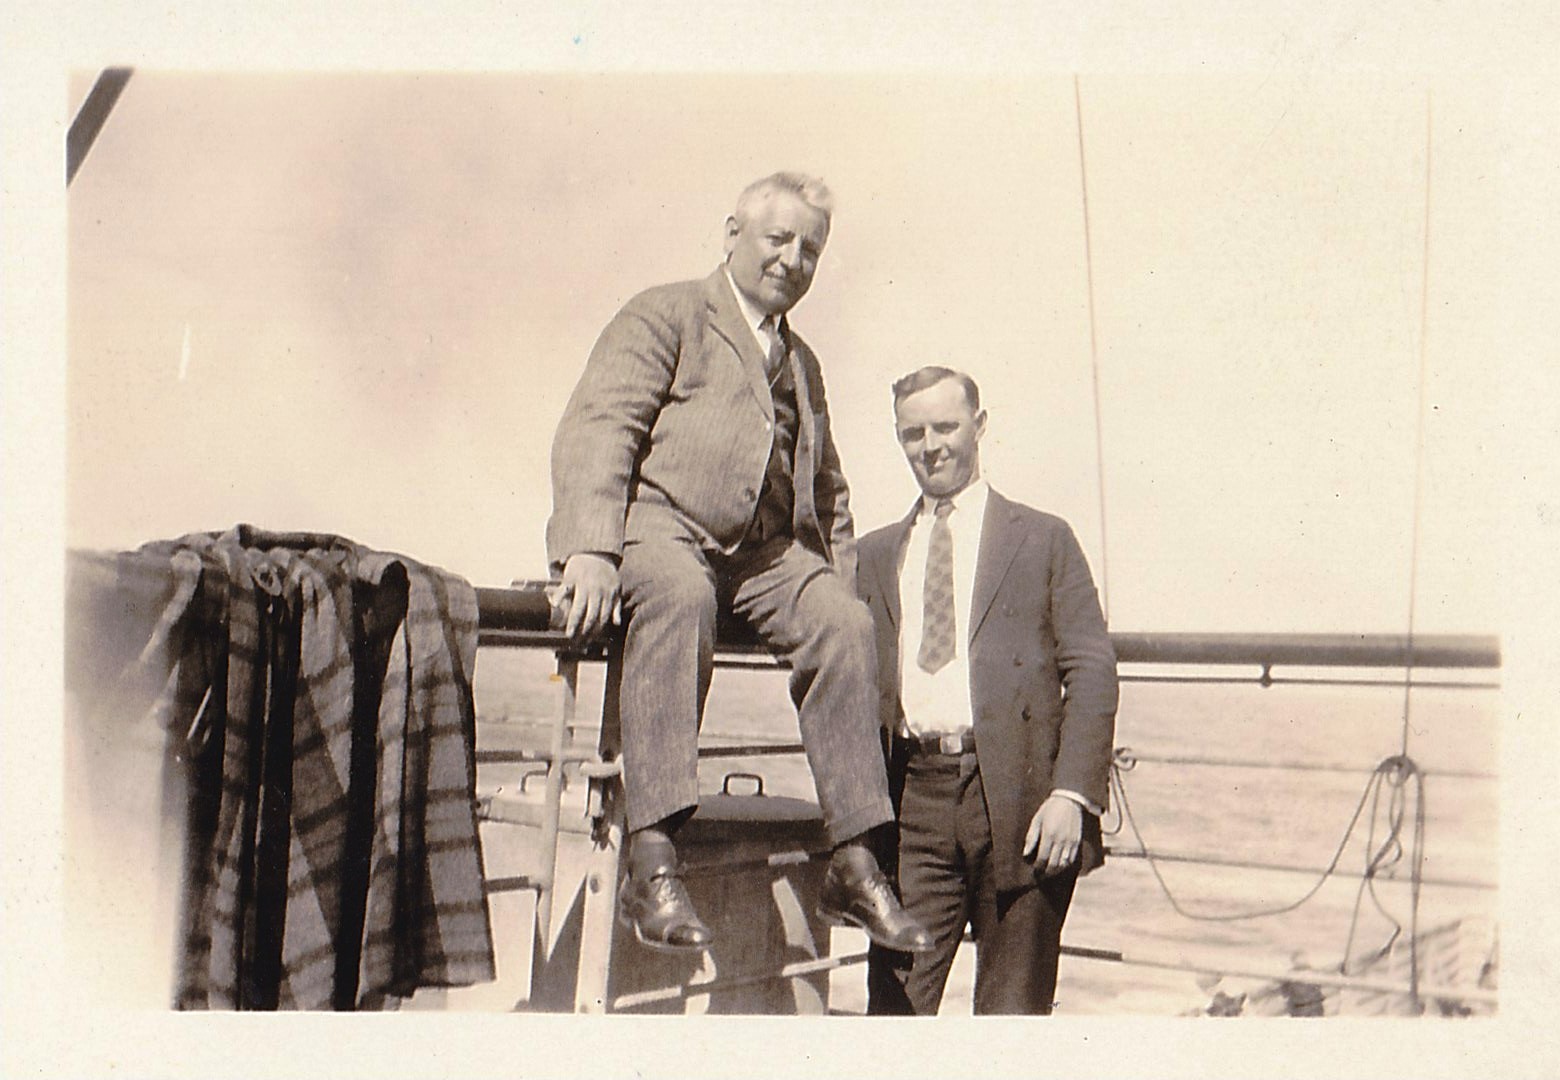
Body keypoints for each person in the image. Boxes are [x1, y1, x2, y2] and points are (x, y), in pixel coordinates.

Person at [545, 173, 932, 956]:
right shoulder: (666, 314)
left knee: (844, 623)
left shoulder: (802, 363)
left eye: (810, 249)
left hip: (764, 556)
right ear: (732, 235)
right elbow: (600, 426)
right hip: (664, 528)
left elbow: (828, 490)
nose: (793, 260)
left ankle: (855, 862)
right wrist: (589, 548)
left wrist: (835, 582)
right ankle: (653, 859)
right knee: (680, 595)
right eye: (778, 239)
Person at [858, 365, 1118, 1014]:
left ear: (979, 426)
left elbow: (1092, 668)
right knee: (894, 1010)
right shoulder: (872, 555)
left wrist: (1071, 795)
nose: (931, 446)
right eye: (913, 433)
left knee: (1012, 1015)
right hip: (911, 802)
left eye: (946, 427)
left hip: (1022, 806)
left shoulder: (1044, 539)